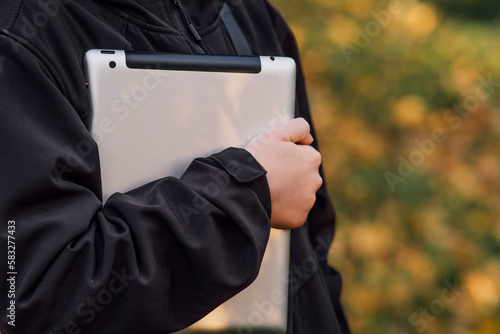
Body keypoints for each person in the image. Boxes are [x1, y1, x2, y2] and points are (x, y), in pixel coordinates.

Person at [0, 0, 350, 333]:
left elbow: (313, 243)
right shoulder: (20, 36)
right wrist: (249, 194)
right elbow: (33, 296)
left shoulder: (243, 9)